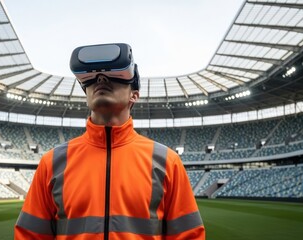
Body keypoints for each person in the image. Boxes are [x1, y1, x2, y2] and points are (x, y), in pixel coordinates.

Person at [15, 43, 205, 239]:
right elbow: (30, 235)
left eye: (113, 75)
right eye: (91, 79)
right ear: (86, 94)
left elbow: (188, 235)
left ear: (134, 95)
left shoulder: (167, 162)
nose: (101, 79)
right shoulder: (51, 163)